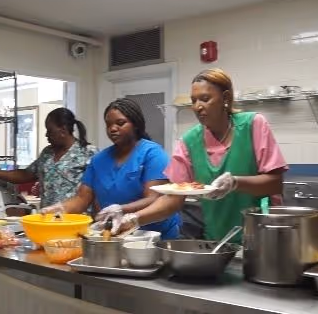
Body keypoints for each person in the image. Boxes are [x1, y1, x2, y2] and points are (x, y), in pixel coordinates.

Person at [115, 69, 287, 243]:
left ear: (226, 99)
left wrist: (235, 182)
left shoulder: (253, 125)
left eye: (205, 99)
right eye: (194, 100)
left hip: (262, 239)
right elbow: (173, 198)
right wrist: (134, 218)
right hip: (217, 241)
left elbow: (275, 184)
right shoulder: (189, 142)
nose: (197, 106)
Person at [42, 98, 181, 239]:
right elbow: (82, 199)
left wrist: (122, 210)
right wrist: (59, 209)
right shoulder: (99, 160)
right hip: (117, 235)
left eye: (120, 123)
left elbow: (154, 198)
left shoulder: (153, 154)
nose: (112, 129)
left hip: (153, 237)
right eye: (108, 125)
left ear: (136, 125)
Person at [0, 108, 97, 208]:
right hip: (48, 221)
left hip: (76, 221)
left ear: (63, 131)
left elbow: (99, 189)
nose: (46, 135)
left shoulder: (88, 152)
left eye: (49, 131)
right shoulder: (47, 153)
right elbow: (26, 174)